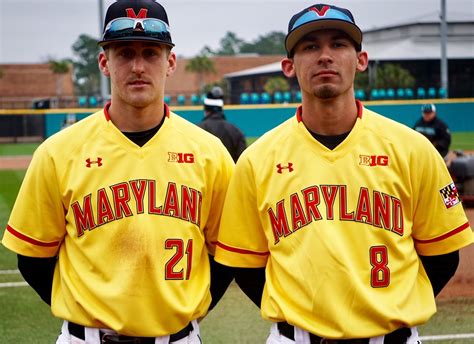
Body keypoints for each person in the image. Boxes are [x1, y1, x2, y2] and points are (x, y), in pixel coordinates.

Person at [215, 3, 473, 343]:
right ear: (289, 67)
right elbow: (246, 267)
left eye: (338, 44)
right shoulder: (257, 160)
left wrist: (390, 306)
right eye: (310, 47)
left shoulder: (413, 149)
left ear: (360, 60)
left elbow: (442, 258)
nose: (325, 56)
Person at [2, 1, 234, 343]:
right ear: (104, 63)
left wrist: (181, 312)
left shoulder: (209, 153)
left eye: (151, 53)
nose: (138, 66)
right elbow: (32, 261)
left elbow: (224, 258)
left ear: (170, 62)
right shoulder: (59, 152)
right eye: (124, 53)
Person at [198, 86, 247, 162]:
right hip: (230, 173)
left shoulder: (198, 130)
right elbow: (243, 162)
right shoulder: (236, 131)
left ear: (206, 111)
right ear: (221, 110)